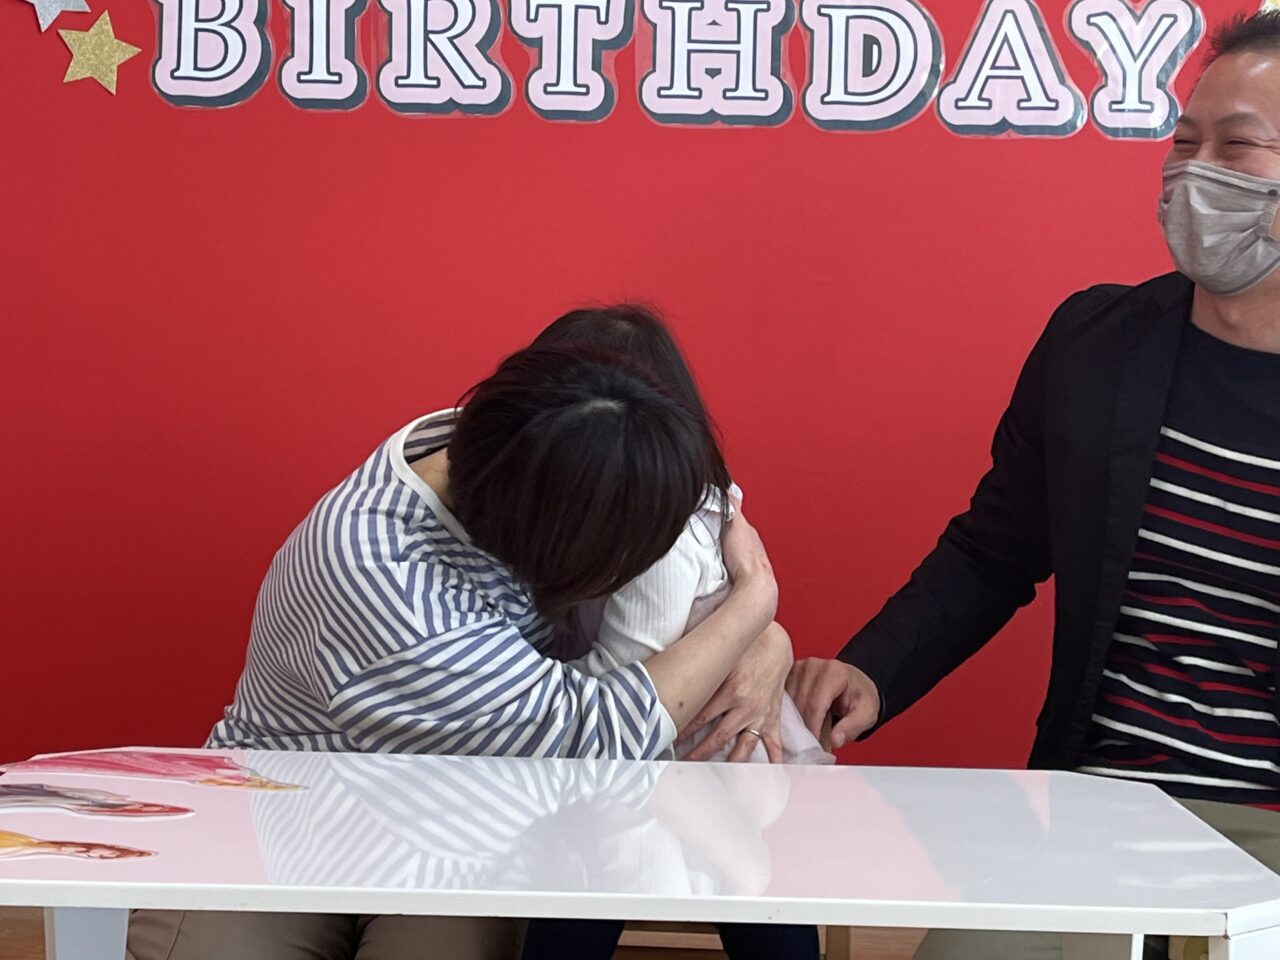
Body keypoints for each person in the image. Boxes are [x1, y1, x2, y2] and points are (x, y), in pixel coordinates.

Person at [789, 12, 1280, 960]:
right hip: (1098, 810)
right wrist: (872, 670)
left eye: (1237, 146)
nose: (1194, 172)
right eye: (1184, 143)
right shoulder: (1096, 346)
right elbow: (993, 551)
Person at [129, 316, 787, 960]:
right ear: (550, 548)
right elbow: (594, 740)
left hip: (469, 822)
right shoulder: (387, 579)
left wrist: (769, 644)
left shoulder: (508, 443)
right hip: (285, 825)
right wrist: (755, 602)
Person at [520, 307, 825, 960]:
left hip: (684, 744)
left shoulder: (664, 537)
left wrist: (526, 687)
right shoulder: (662, 510)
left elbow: (632, 677)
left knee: (627, 879)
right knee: (739, 886)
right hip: (657, 747)